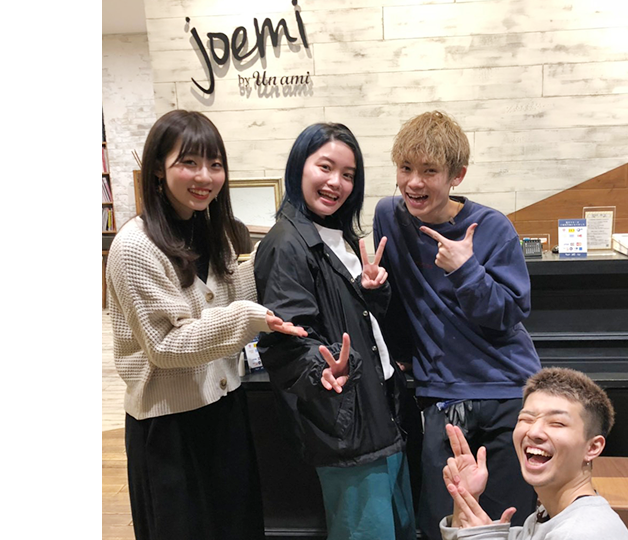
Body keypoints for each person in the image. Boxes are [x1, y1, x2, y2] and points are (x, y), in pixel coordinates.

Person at [106, 109, 307, 540]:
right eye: (189, 162)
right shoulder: (135, 246)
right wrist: (249, 318)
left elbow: (235, 293)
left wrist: (278, 252)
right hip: (168, 428)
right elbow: (166, 345)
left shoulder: (214, 231)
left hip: (225, 409)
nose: (205, 176)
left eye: (215, 164)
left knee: (238, 525)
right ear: (158, 169)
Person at [372, 110, 542, 539]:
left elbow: (510, 313)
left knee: (507, 521)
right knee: (442, 522)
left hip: (507, 388)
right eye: (405, 168)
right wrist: (374, 293)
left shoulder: (492, 227)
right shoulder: (389, 217)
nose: (414, 182)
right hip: (444, 394)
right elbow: (397, 303)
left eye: (429, 171)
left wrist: (466, 272)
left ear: (456, 176)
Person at [253, 122, 417, 540]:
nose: (336, 183)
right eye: (325, 167)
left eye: (348, 174)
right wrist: (322, 370)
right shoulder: (286, 244)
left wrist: (372, 291)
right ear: (299, 167)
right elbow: (287, 341)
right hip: (347, 427)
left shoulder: (339, 236)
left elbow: (350, 319)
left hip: (380, 415)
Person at [439, 367, 628, 540]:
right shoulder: (547, 517)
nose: (533, 432)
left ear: (592, 448)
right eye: (526, 419)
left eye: (557, 423)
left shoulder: (582, 532)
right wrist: (465, 498)